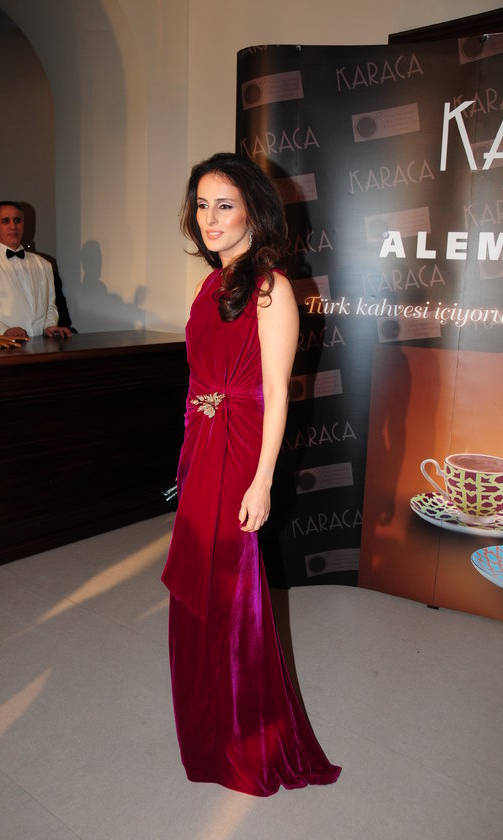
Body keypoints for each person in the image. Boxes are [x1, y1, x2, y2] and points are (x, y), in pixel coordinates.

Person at [161, 153, 341, 796]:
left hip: (241, 448)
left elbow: (277, 392)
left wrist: (262, 480)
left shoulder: (271, 287)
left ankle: (245, 736)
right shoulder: (211, 284)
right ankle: (207, 725)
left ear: (254, 211)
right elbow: (197, 379)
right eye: (202, 205)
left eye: (225, 205)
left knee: (232, 589)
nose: (210, 219)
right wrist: (188, 446)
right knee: (199, 581)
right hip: (204, 442)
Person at [0, 201, 71, 338]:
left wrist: (50, 325)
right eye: (6, 221)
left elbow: (50, 306)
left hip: (40, 344)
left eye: (17, 220)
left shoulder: (43, 264)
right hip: (2, 345)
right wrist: (3, 330)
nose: (13, 226)